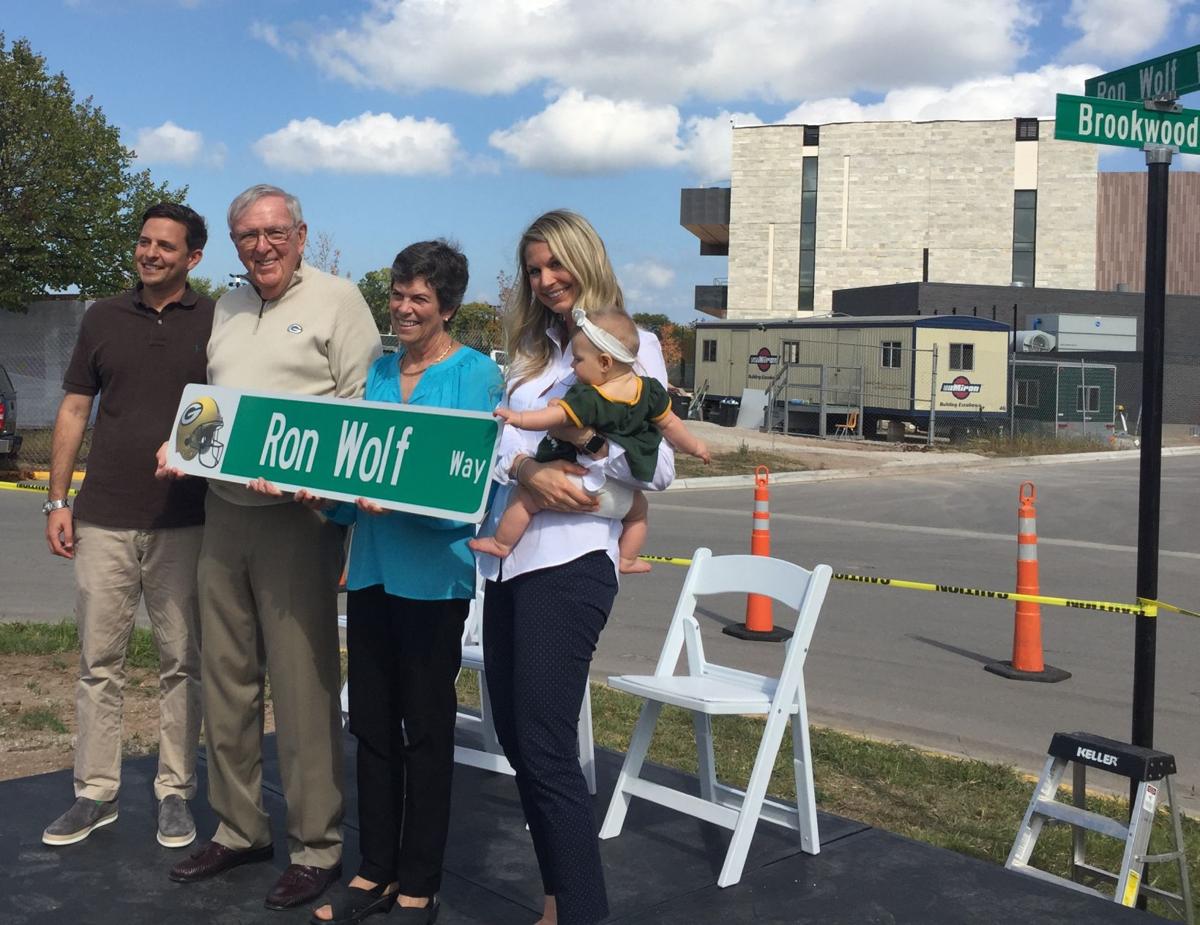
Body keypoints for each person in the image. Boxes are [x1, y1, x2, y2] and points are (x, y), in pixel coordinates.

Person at [163, 184, 382, 912]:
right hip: (223, 512)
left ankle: (316, 843)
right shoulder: (227, 306)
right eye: (248, 235)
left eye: (274, 232)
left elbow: (362, 406)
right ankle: (238, 826)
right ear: (234, 244)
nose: (262, 245)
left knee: (302, 684)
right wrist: (180, 448)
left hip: (299, 520)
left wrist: (325, 493)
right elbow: (210, 403)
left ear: (300, 233)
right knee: (225, 676)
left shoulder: (340, 300)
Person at [474, 210, 676, 925]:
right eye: (534, 269)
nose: (545, 279)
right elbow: (503, 450)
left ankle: (583, 910)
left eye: (556, 264)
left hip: (570, 564)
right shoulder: (532, 353)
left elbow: (662, 465)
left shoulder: (629, 345)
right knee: (522, 740)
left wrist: (580, 454)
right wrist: (530, 466)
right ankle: (557, 902)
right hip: (508, 567)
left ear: (586, 261)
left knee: (549, 743)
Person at [299, 240, 503, 925]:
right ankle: (374, 870)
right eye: (398, 294)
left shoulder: (475, 374)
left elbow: (469, 484)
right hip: (373, 571)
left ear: (448, 306)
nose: (405, 307)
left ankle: (420, 879)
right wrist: (315, 494)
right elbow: (354, 474)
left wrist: (405, 500)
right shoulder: (379, 375)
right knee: (375, 727)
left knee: (426, 729)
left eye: (421, 297)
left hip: (435, 579)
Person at [41, 203, 214, 850]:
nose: (151, 253)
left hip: (186, 520)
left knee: (181, 663)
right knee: (99, 663)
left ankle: (175, 792)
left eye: (166, 246)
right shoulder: (102, 318)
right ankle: (95, 792)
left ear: (192, 257)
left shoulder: (217, 320)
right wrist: (57, 500)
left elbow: (231, 406)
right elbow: (75, 407)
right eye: (144, 242)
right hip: (103, 517)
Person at [470, 304, 709, 573]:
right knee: (639, 512)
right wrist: (696, 447)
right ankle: (628, 558)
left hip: (581, 484)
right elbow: (671, 424)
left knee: (526, 498)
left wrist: (521, 418)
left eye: (578, 360)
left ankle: (502, 543)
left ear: (605, 362)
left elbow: (555, 419)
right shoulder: (649, 391)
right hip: (622, 493)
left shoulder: (589, 396)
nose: (573, 365)